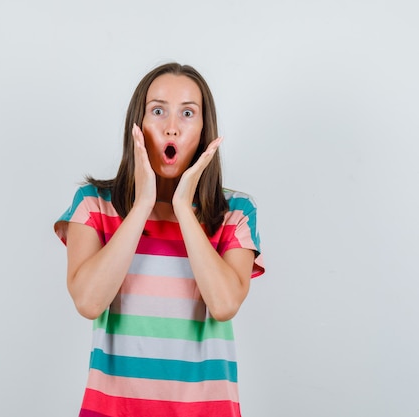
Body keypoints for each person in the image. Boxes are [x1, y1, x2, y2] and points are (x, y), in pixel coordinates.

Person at [54, 62, 265, 417]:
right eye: (158, 111)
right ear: (137, 124)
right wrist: (142, 206)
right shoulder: (93, 203)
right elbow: (88, 302)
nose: (171, 128)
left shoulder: (236, 213)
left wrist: (183, 206)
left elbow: (225, 304)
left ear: (203, 129)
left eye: (187, 113)